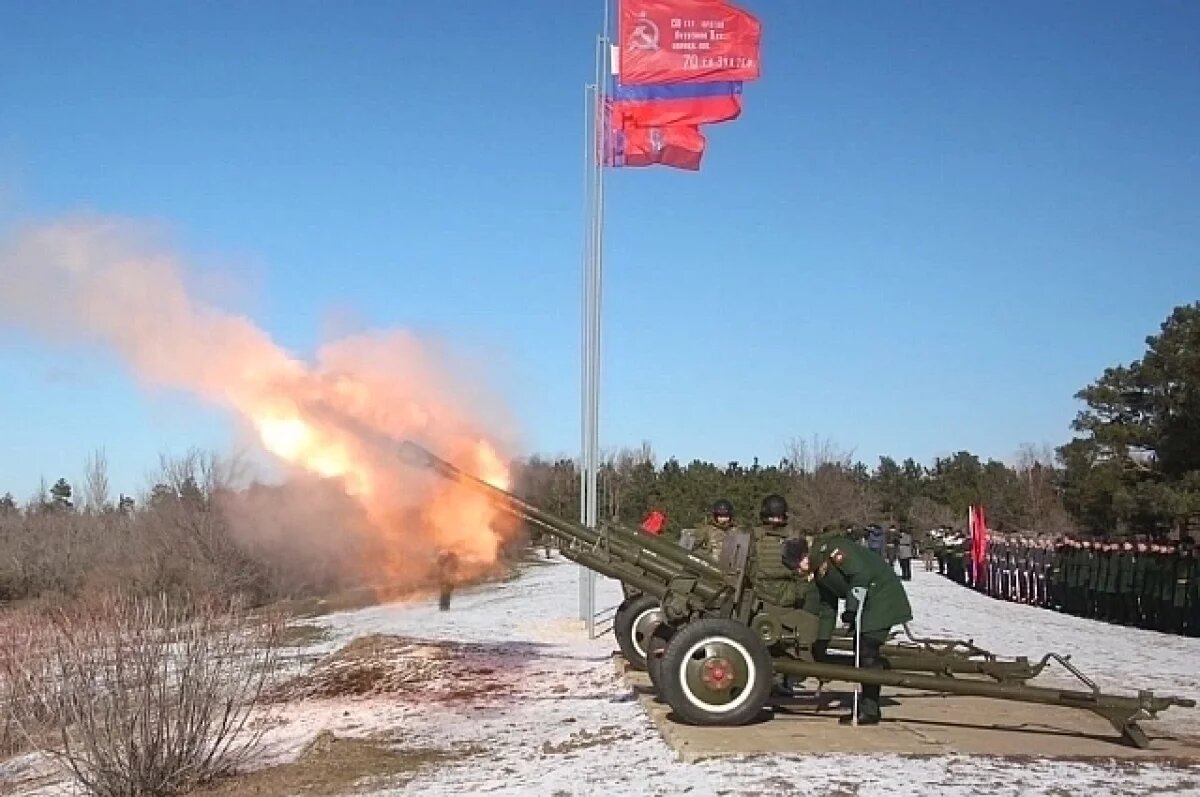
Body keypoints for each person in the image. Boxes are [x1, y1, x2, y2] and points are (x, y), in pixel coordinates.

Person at [782, 531, 913, 725]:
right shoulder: (819, 570)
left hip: (881, 596)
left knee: (866, 650)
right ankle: (869, 701)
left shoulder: (833, 550)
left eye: (796, 566)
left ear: (803, 557)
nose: (798, 571)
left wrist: (851, 608)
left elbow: (861, 575)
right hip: (868, 601)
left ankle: (870, 710)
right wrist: (822, 641)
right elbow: (827, 607)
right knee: (863, 649)